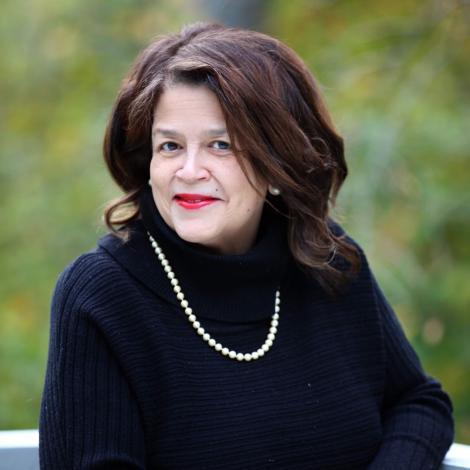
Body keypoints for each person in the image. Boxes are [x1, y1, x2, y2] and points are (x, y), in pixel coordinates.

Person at [39, 22, 454, 469]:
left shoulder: (327, 260)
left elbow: (418, 403)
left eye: (221, 145)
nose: (190, 170)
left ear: (278, 164)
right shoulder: (101, 296)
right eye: (171, 146)